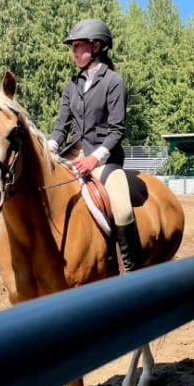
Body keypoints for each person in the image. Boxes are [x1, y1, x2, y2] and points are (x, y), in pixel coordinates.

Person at [48, 18, 142, 273]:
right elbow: (61, 127)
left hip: (104, 158)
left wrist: (94, 159)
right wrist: (50, 147)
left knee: (121, 208)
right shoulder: (72, 84)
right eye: (73, 47)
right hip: (73, 154)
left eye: (79, 46)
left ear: (97, 46)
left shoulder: (113, 81)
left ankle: (133, 273)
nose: (74, 52)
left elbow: (117, 130)